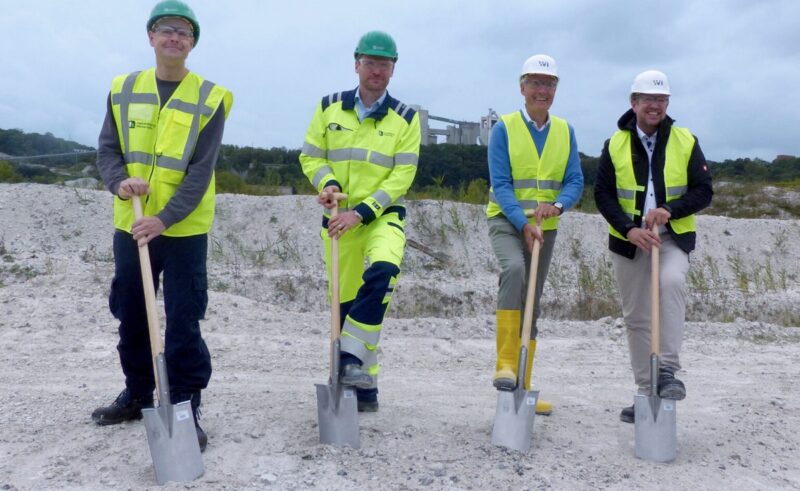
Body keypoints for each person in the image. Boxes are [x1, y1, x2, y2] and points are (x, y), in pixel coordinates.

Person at [91, 0, 233, 452]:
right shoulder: (122, 89)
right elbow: (108, 151)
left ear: (192, 44)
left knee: (184, 319)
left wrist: (164, 218)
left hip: (184, 229)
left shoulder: (211, 98)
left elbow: (200, 171)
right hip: (131, 226)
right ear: (151, 37)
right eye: (165, 29)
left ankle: (186, 406)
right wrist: (118, 182)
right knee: (132, 311)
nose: (174, 37)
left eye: (184, 32)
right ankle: (137, 394)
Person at [299, 31, 420, 413]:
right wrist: (327, 183)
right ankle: (362, 387)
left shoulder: (406, 118)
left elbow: (401, 177)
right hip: (337, 219)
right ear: (357, 64)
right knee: (346, 304)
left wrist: (362, 213)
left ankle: (348, 361)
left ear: (393, 69)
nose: (377, 71)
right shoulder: (329, 108)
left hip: (382, 217)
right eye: (370, 63)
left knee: (383, 273)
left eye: (384, 64)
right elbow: (311, 157)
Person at [594, 70, 712, 423]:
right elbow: (602, 194)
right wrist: (629, 229)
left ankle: (668, 373)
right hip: (631, 241)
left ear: (667, 104)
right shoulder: (614, 144)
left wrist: (669, 210)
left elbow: (704, 190)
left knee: (672, 283)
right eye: (648, 99)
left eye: (661, 100)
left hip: (671, 237)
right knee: (637, 318)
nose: (655, 106)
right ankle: (647, 394)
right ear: (634, 103)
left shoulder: (685, 140)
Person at [486, 54, 584, 415]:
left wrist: (557, 206)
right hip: (506, 221)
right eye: (535, 83)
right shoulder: (504, 129)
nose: (542, 90)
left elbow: (575, 179)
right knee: (514, 271)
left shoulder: (564, 130)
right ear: (522, 87)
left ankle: (523, 387)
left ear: (555, 90)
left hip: (545, 228)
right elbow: (502, 183)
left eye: (549, 84)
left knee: (533, 301)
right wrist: (522, 222)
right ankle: (505, 365)